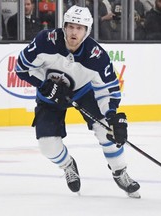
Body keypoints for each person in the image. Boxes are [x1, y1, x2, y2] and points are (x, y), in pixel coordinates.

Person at [15, 5, 141, 198]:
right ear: (64, 26)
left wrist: (112, 116)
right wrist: (44, 84)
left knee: (107, 130)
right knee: (47, 146)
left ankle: (120, 171)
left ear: (87, 31)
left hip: (83, 93)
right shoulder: (45, 41)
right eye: (71, 26)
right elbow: (21, 68)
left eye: (79, 28)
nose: (74, 31)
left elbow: (109, 90)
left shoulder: (96, 56)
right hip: (49, 97)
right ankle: (68, 165)